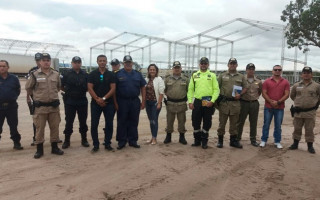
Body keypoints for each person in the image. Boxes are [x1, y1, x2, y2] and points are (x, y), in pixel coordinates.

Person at [25, 53, 64, 159]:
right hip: (40, 107)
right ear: (40, 62)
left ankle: (54, 147)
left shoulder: (56, 74)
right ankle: (39, 150)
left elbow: (58, 87)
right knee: (39, 129)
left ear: (50, 61)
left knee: (54, 127)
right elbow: (28, 87)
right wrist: (34, 98)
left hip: (53, 107)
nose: (46, 62)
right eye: (44, 60)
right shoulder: (34, 74)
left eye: (48, 60)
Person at [187, 57, 220, 149]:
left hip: (208, 102)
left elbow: (216, 90)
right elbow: (190, 90)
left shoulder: (212, 75)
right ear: (199, 64)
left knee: (207, 122)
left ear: (208, 65)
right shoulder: (194, 75)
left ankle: (204, 141)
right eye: (202, 63)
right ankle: (197, 140)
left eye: (205, 63)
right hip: (197, 101)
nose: (203, 65)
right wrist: (190, 101)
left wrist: (212, 101)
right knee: (196, 121)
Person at [115, 55, 146, 150]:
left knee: (134, 121)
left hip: (134, 101)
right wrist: (115, 103)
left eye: (129, 62)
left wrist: (143, 101)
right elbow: (114, 89)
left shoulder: (138, 74)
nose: (128, 64)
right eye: (126, 63)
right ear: (123, 64)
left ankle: (133, 141)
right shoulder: (118, 74)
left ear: (132, 63)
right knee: (122, 121)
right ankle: (122, 141)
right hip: (122, 101)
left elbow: (143, 87)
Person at [216, 58, 247, 149]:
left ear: (237, 65)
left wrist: (240, 95)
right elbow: (216, 87)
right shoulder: (222, 75)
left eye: (234, 63)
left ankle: (233, 141)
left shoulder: (241, 76)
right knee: (222, 123)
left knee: (234, 124)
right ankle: (220, 140)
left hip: (235, 103)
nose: (232, 65)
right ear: (228, 65)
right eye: (231, 63)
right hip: (224, 103)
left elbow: (245, 87)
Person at [88, 55, 116, 152]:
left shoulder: (111, 74)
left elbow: (113, 88)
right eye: (100, 61)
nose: (102, 62)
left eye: (104, 60)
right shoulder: (92, 74)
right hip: (95, 104)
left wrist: (103, 98)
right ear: (97, 62)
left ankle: (107, 143)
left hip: (109, 103)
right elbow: (90, 88)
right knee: (94, 125)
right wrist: (97, 99)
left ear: (106, 62)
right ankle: (96, 145)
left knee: (109, 124)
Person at [289, 66, 320, 154]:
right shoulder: (296, 85)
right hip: (298, 111)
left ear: (311, 75)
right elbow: (292, 96)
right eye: (304, 73)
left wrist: (314, 105)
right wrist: (299, 103)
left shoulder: (317, 86)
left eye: (308, 73)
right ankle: (295, 144)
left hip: (310, 112)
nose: (306, 75)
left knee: (309, 129)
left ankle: (310, 146)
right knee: (297, 128)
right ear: (302, 75)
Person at [61, 56, 89, 149]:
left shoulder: (85, 74)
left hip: (82, 101)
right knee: (69, 121)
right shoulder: (66, 73)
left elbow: (88, 87)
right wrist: (68, 92)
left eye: (78, 62)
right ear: (72, 63)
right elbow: (61, 86)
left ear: (80, 63)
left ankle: (84, 139)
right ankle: (67, 141)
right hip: (70, 101)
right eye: (75, 62)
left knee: (83, 121)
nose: (77, 64)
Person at [260, 65, 290, 149]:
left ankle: (277, 141)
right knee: (266, 124)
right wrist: (270, 101)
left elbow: (287, 94)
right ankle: (263, 140)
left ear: (281, 71)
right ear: (272, 71)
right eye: (275, 69)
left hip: (280, 108)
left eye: (279, 70)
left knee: (278, 125)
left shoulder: (285, 82)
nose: (277, 71)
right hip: (268, 107)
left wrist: (278, 102)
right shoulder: (266, 81)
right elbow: (264, 93)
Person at [163, 61, 189, 145]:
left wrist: (186, 99)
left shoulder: (185, 79)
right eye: (175, 68)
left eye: (178, 68)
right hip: (170, 103)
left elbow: (189, 90)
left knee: (182, 121)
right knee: (169, 121)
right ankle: (168, 136)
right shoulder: (167, 79)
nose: (177, 69)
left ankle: (182, 137)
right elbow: (163, 90)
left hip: (181, 104)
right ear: (172, 69)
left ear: (181, 69)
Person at [236, 63, 262, 147]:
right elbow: (238, 91)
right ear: (246, 70)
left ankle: (253, 139)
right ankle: (237, 138)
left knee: (253, 122)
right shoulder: (242, 80)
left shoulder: (258, 81)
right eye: (249, 69)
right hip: (244, 103)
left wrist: (255, 97)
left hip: (254, 103)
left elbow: (260, 91)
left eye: (252, 69)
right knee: (240, 122)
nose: (251, 71)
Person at [0, 60, 23, 150]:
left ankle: (16, 143)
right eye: (0, 66)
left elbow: (18, 90)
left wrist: (12, 97)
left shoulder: (14, 78)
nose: (1, 68)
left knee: (13, 126)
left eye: (3, 66)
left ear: (8, 67)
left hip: (11, 106)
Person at [145, 64, 165, 145]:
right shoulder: (146, 79)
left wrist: (159, 103)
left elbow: (161, 92)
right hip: (148, 103)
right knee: (151, 121)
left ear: (156, 71)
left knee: (154, 120)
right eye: (150, 69)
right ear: (148, 70)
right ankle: (152, 137)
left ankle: (154, 138)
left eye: (154, 69)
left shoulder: (159, 79)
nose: (152, 71)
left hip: (155, 103)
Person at [27, 52, 42, 146]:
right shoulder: (32, 71)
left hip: (49, 100)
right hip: (36, 100)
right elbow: (29, 86)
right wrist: (27, 97)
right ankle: (35, 138)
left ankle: (54, 138)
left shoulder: (52, 70)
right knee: (36, 120)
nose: (39, 62)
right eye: (37, 60)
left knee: (52, 120)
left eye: (40, 60)